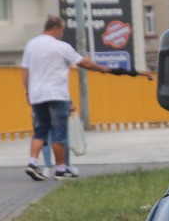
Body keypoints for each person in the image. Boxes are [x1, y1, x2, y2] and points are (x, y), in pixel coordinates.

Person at [19, 16, 116, 180]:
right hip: (57, 95)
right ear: (56, 28)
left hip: (37, 95)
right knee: (59, 133)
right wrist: (101, 68)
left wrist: (28, 92)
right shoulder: (60, 46)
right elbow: (83, 63)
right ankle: (61, 168)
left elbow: (25, 71)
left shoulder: (31, 45)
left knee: (40, 131)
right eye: (62, 30)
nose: (62, 34)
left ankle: (33, 162)